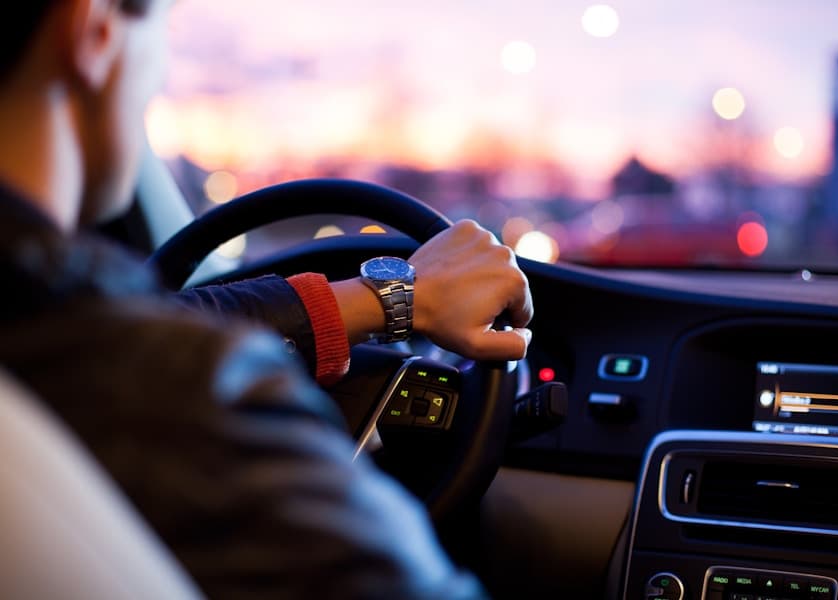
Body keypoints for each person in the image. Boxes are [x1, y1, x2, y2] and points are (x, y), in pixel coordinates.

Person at [0, 0, 533, 598]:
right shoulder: (187, 397)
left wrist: (392, 299)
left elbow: (159, 317)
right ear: (96, 32)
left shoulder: (51, 333)